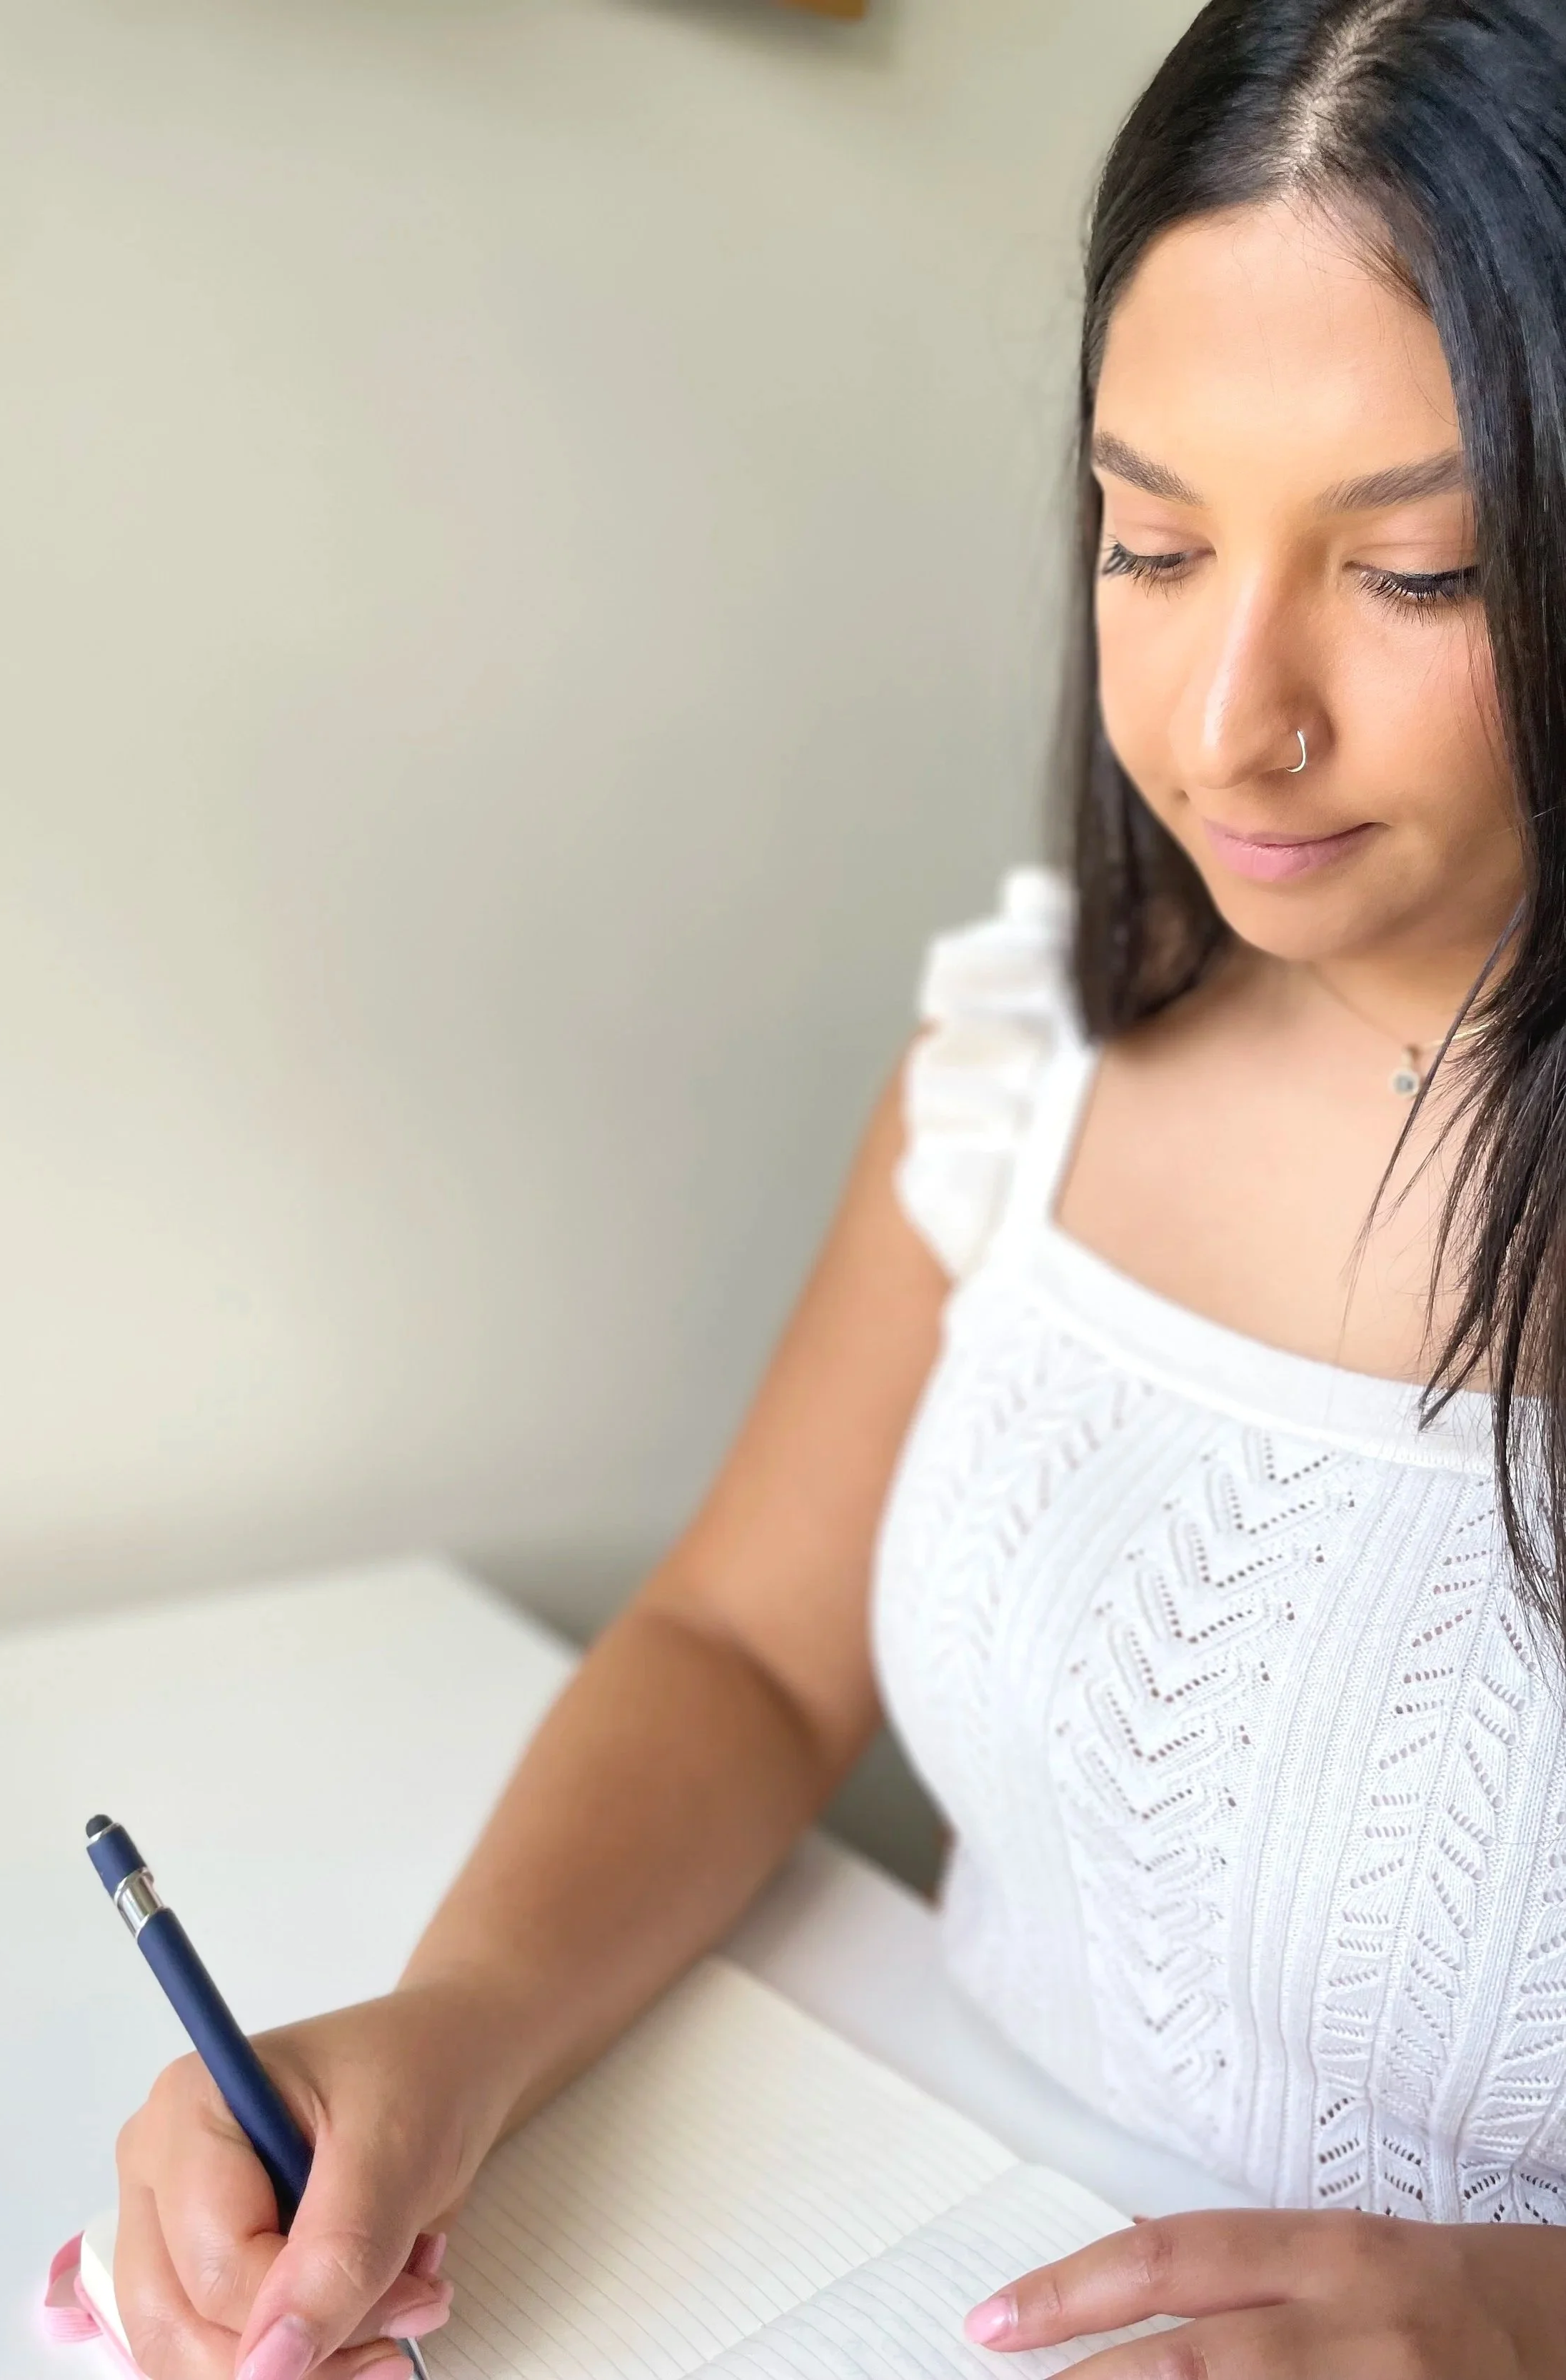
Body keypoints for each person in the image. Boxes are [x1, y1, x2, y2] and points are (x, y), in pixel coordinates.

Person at [111, 3, 1566, 2372]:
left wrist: (1517, 2315)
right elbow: (740, 1648)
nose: (1225, 717)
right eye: (1153, 541)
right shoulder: (1029, 1064)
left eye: (1408, 574)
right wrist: (452, 2034)